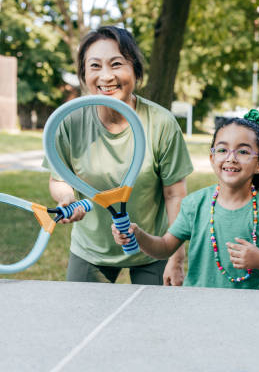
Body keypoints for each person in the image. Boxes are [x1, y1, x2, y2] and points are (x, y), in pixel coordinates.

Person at [43, 26, 193, 286]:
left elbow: (174, 194)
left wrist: (175, 258)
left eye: (116, 64)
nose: (106, 76)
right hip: (90, 250)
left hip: (153, 249)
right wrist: (67, 197)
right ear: (84, 74)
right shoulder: (69, 122)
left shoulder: (161, 123)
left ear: (135, 69)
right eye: (95, 66)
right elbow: (59, 178)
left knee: (154, 325)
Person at [112, 110, 259, 289]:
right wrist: (138, 235)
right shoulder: (195, 204)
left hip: (244, 310)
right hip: (197, 305)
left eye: (243, 151)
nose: (231, 158)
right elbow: (164, 247)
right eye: (222, 150)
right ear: (212, 158)